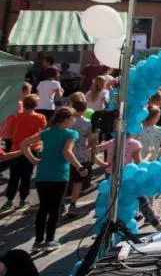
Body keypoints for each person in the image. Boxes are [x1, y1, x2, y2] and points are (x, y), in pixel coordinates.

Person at [21, 107, 86, 252]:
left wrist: (32, 159)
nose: (74, 120)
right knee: (55, 209)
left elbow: (24, 144)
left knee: (43, 208)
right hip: (59, 174)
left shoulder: (46, 133)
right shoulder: (71, 133)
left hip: (43, 174)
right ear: (67, 120)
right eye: (73, 118)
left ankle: (38, 241)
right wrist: (80, 167)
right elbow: (67, 152)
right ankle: (50, 239)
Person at [3, 95, 47, 210]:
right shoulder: (40, 117)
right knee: (26, 176)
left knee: (14, 176)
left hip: (16, 149)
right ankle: (23, 199)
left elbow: (11, 131)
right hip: (31, 149)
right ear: (36, 105)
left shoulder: (15, 117)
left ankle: (9, 200)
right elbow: (43, 131)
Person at [65, 93, 95, 219]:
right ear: (84, 110)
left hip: (67, 155)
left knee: (65, 180)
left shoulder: (68, 121)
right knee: (78, 182)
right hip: (81, 155)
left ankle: (61, 203)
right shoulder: (88, 123)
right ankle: (72, 204)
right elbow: (91, 140)